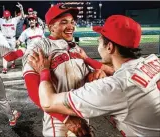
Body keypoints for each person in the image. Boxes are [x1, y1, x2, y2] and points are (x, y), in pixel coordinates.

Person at [28, 15, 160, 137]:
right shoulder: (153, 60)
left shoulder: (115, 86)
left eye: (100, 40)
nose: (98, 42)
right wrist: (87, 60)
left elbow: (48, 102)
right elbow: (117, 73)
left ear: (109, 47)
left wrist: (44, 71)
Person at [23, 4, 113, 137]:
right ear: (51, 27)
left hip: (81, 112)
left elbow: (83, 77)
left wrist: (93, 76)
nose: (71, 26)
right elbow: (33, 88)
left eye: (72, 22)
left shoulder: (76, 48)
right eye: (64, 22)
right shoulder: (39, 47)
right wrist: (66, 119)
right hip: (59, 120)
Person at [0, 4, 25, 126]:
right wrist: (22, 51)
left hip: (11, 39)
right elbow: (9, 56)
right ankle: (11, 117)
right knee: (2, 100)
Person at [0, 2, 25, 73]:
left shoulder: (14, 20)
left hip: (12, 39)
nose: (7, 18)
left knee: (12, 52)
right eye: (5, 16)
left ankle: (13, 63)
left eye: (8, 16)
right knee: (5, 53)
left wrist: (21, 8)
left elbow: (22, 16)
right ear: (4, 16)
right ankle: (5, 68)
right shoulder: (2, 20)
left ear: (10, 16)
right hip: (5, 39)